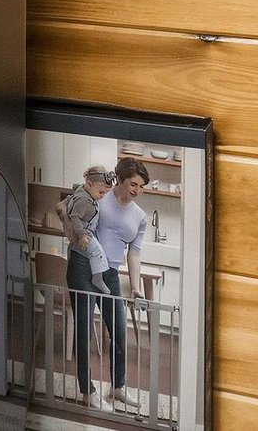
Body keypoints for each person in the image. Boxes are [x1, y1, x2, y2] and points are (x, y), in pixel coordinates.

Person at [69, 157, 150, 411]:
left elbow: (134, 253)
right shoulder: (99, 197)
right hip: (83, 267)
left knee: (118, 331)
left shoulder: (139, 216)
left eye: (141, 186)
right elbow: (70, 212)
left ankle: (117, 387)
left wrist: (135, 287)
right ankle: (87, 391)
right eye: (132, 184)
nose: (137, 191)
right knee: (83, 330)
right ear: (120, 180)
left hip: (111, 273)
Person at [60, 166, 115, 293]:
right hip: (85, 232)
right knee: (97, 252)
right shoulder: (84, 200)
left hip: (87, 232)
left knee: (96, 253)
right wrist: (82, 235)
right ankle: (97, 279)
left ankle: (97, 278)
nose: (102, 197)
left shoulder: (85, 192)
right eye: (101, 193)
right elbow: (75, 217)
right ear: (89, 184)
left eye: (105, 194)